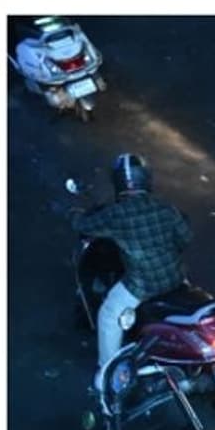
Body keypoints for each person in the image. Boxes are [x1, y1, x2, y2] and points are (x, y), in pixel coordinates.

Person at [73, 153, 191, 391]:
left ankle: (107, 374)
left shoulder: (117, 214)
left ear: (118, 182)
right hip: (176, 277)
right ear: (146, 179)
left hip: (143, 284)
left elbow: (84, 226)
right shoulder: (165, 207)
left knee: (108, 313)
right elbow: (185, 237)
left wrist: (74, 213)